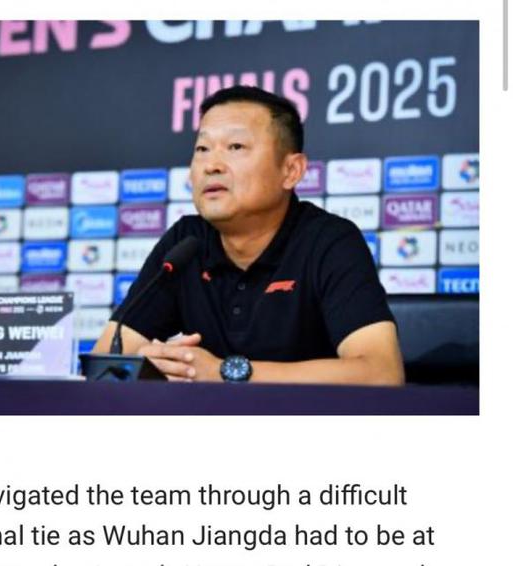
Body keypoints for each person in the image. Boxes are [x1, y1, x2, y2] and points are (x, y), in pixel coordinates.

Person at [93, 86, 404, 385]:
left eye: (236, 147)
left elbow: (382, 373)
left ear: (291, 171)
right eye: (202, 149)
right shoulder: (185, 244)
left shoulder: (329, 241)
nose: (211, 165)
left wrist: (225, 373)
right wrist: (148, 367)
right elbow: (103, 364)